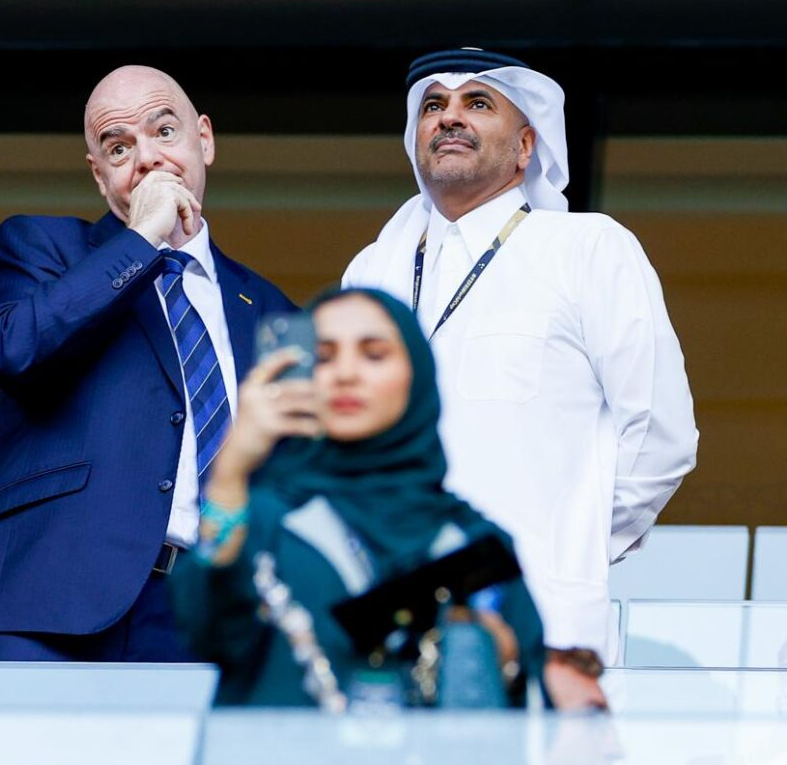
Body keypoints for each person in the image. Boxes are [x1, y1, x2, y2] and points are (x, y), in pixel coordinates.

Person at [342, 48, 698, 707]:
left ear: (526, 146)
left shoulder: (586, 249)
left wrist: (562, 548)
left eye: (477, 103)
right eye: (433, 106)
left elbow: (661, 436)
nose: (449, 117)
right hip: (389, 617)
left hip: (537, 617)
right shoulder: (372, 270)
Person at [0, 65, 296, 662]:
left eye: (164, 132)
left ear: (204, 139)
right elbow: (16, 349)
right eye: (119, 148)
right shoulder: (42, 245)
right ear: (100, 176)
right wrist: (144, 237)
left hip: (205, 615)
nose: (146, 159)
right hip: (38, 602)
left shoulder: (273, 310)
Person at [172, 287, 544, 708]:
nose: (346, 374)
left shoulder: (471, 542)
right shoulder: (265, 521)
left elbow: (531, 702)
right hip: (279, 753)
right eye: (324, 357)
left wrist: (507, 662)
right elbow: (205, 631)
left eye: (374, 354)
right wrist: (230, 473)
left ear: (417, 375)